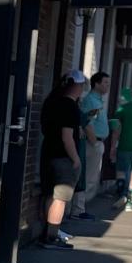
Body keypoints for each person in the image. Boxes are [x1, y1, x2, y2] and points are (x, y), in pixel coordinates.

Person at [39, 70, 85, 247]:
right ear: (77, 87)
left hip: (48, 152)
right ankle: (52, 236)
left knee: (49, 194)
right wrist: (75, 158)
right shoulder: (70, 106)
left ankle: (47, 233)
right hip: (63, 157)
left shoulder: (51, 102)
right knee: (60, 197)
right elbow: (67, 136)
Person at [70, 70, 110, 218]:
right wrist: (94, 143)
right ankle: (78, 210)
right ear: (96, 84)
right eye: (105, 83)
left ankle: (80, 208)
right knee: (88, 177)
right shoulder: (91, 101)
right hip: (92, 143)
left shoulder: (98, 100)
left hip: (98, 141)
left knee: (91, 177)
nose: (107, 86)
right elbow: (87, 123)